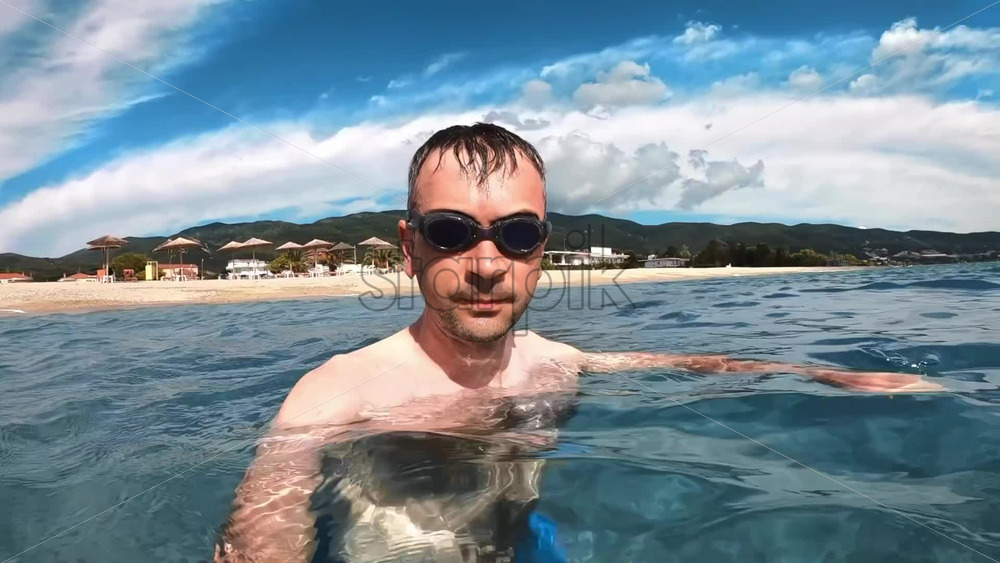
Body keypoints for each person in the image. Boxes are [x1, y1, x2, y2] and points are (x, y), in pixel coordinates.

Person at [215, 123, 942, 562]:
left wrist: (826, 376)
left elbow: (693, 365)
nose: (487, 262)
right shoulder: (337, 394)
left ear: (542, 249)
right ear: (410, 247)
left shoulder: (559, 363)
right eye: (450, 231)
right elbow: (260, 538)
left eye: (517, 232)